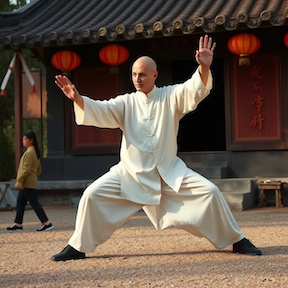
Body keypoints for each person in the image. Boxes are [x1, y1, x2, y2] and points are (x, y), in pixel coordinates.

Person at [52, 35, 261, 261]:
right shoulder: (126, 102)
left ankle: (237, 239)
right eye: (134, 74)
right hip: (130, 173)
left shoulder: (170, 96)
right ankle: (77, 246)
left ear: (154, 75)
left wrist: (203, 67)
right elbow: (101, 110)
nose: (137, 79)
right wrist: (78, 99)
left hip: (168, 173)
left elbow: (193, 90)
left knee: (210, 193)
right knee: (92, 195)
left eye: (142, 74)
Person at [7, 130, 53, 232]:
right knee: (21, 202)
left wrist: (19, 181)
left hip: (27, 182)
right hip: (28, 182)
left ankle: (47, 223)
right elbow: (38, 169)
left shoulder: (29, 152)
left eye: (25, 139)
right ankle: (18, 223)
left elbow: (26, 169)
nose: (23, 141)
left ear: (31, 140)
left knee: (34, 203)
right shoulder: (34, 152)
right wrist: (33, 176)